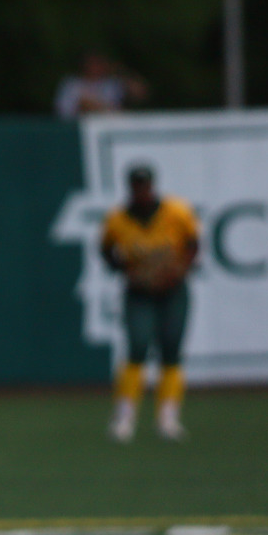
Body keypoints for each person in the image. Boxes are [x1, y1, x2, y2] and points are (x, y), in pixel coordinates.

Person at [101, 162, 200, 441]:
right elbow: (106, 250)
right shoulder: (118, 219)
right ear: (130, 188)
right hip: (140, 292)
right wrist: (126, 271)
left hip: (172, 289)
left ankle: (168, 418)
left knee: (171, 350)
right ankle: (125, 416)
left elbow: (192, 243)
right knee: (137, 346)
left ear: (152, 186)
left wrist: (180, 270)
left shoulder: (176, 211)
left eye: (144, 186)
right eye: (136, 186)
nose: (141, 191)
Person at [54, 52, 148, 118]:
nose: (96, 67)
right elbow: (66, 110)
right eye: (92, 63)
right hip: (78, 128)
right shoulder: (72, 84)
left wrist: (120, 71)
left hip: (110, 126)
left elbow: (140, 93)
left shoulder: (111, 83)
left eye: (99, 63)